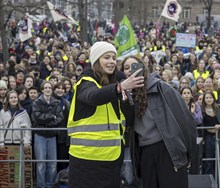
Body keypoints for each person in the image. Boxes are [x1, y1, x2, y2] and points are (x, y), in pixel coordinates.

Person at [67, 42, 144, 188]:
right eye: (106, 57)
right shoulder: (85, 81)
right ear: (96, 60)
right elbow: (93, 97)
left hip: (112, 159)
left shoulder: (115, 83)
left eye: (114, 58)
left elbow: (128, 118)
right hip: (86, 161)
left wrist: (127, 94)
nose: (112, 62)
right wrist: (120, 87)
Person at [121, 55, 197, 188]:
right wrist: (125, 94)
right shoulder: (126, 95)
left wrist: (188, 154)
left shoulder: (161, 87)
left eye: (133, 66)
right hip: (145, 153)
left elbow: (185, 120)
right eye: (126, 68)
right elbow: (127, 122)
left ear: (142, 69)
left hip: (168, 149)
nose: (130, 71)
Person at [31, 81, 64, 188]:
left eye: (50, 87)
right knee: (41, 164)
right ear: (42, 89)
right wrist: (51, 117)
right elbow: (37, 118)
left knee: (52, 163)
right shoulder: (36, 102)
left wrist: (47, 121)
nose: (48, 89)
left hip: (52, 136)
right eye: (46, 87)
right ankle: (41, 186)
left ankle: (50, 185)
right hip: (40, 135)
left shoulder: (56, 102)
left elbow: (60, 118)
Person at [201, 90, 220, 187]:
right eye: (207, 98)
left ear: (214, 98)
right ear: (204, 100)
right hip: (208, 138)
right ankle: (209, 184)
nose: (209, 100)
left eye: (210, 97)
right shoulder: (201, 110)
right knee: (208, 162)